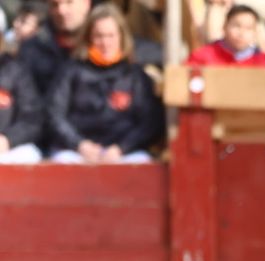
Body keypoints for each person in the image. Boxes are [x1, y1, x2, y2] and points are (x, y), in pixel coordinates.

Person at [45, 3, 159, 161]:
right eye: (99, 36)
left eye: (111, 36)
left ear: (121, 37)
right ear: (89, 37)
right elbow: (55, 114)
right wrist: (80, 145)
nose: (105, 43)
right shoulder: (71, 71)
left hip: (124, 152)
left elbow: (149, 122)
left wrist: (122, 148)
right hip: (77, 151)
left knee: (142, 163)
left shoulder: (134, 75)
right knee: (62, 162)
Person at [20, 0, 89, 93]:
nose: (61, 11)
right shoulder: (31, 49)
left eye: (69, 2)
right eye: (55, 5)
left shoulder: (105, 43)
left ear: (86, 3)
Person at [188, 4, 265, 66]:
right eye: (236, 26)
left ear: (255, 33)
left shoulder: (261, 62)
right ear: (224, 26)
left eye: (248, 28)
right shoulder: (203, 56)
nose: (241, 33)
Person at [0, 45, 44, 162]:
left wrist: (8, 139)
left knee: (29, 155)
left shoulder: (17, 71)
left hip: (9, 148)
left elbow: (32, 119)